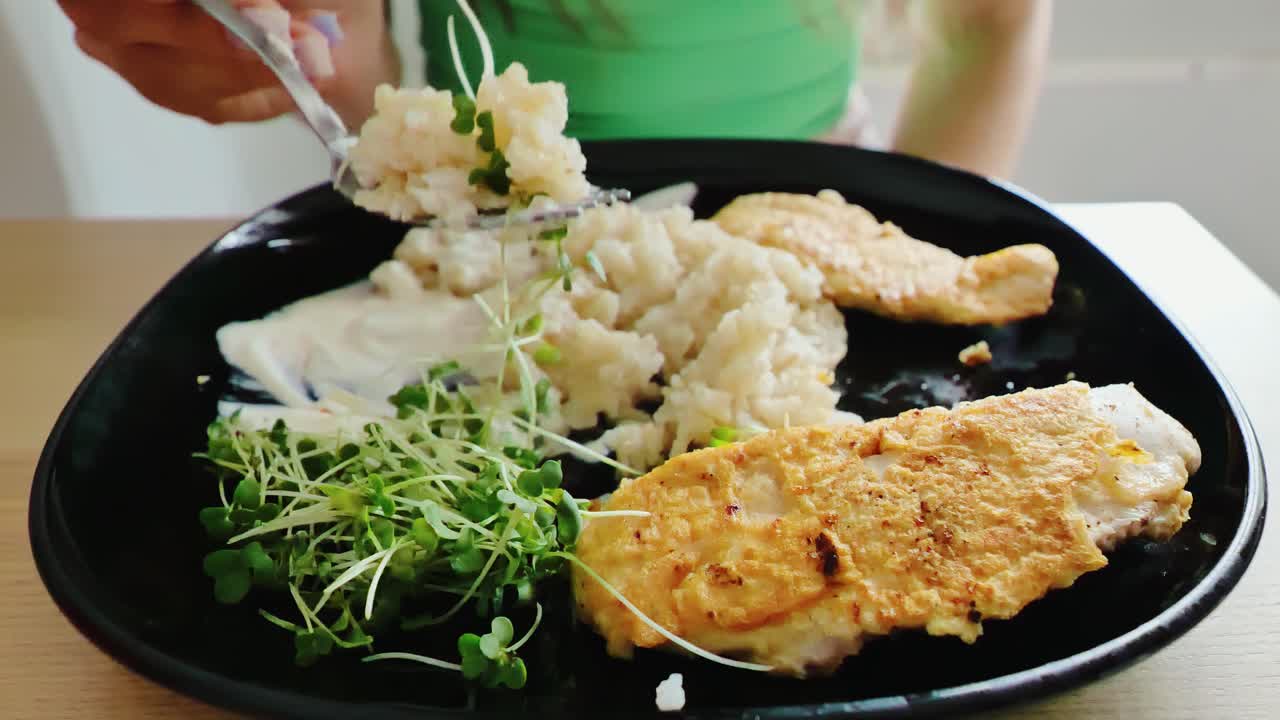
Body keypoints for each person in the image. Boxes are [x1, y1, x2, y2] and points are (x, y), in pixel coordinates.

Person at [56, 0, 1051, 178]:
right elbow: (351, 61)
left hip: (820, 182)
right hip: (488, 239)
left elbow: (991, 21)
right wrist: (291, 48)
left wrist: (931, 253)